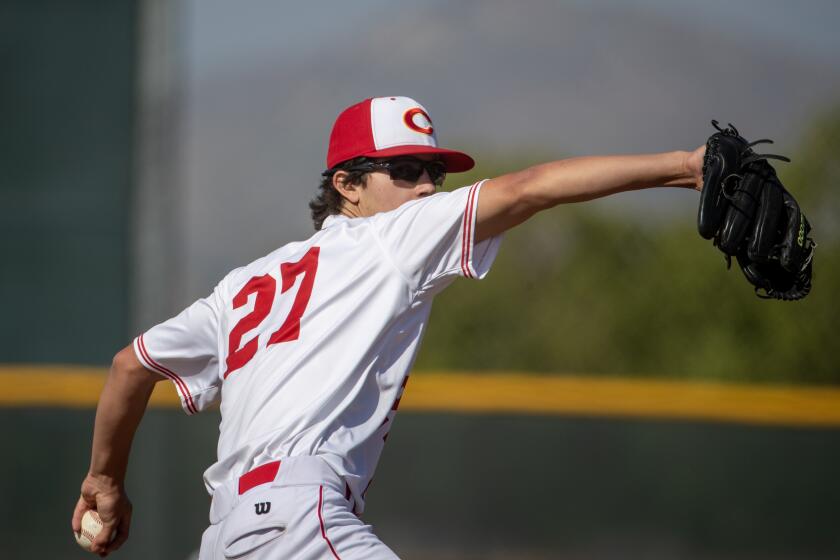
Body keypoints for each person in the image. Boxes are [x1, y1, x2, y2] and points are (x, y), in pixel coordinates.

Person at [72, 96, 705, 558]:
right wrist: (686, 165)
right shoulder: (390, 238)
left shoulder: (241, 286)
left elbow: (131, 365)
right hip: (298, 520)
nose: (427, 188)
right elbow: (534, 187)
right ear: (346, 186)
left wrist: (104, 480)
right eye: (404, 172)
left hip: (227, 537)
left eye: (435, 173)